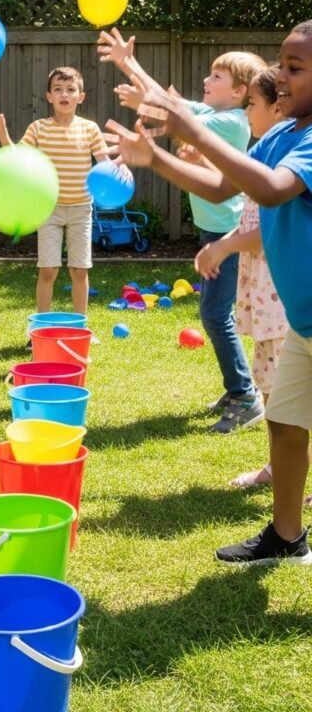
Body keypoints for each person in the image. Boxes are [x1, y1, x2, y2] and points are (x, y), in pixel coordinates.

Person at [104, 20, 312, 565]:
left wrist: (193, 134)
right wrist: (155, 158)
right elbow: (226, 186)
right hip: (305, 326)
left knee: (290, 420)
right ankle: (287, 538)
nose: (281, 77)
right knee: (286, 422)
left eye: (295, 68)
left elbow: (269, 191)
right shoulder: (283, 133)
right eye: (282, 64)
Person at [99, 28, 267, 433]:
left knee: (214, 313)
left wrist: (134, 72)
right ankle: (238, 389)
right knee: (214, 313)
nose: (206, 82)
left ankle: (245, 395)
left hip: (228, 234)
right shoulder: (217, 113)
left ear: (240, 91)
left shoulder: (231, 121)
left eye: (216, 77)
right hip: (215, 230)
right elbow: (172, 104)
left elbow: (172, 112)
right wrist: (129, 62)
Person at [194, 65, 287, 482]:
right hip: (264, 292)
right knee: (271, 386)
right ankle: (276, 466)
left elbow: (267, 232)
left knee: (292, 394)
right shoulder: (266, 149)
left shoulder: (288, 158)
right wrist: (224, 242)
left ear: (278, 107)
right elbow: (243, 209)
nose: (247, 113)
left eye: (252, 103)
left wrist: (225, 245)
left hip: (284, 293)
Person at [0, 66, 107, 319]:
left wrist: (118, 169)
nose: (64, 94)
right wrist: (1, 133)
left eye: (71, 90)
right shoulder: (39, 128)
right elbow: (17, 156)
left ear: (80, 96)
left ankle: (80, 326)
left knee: (79, 270)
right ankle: (40, 326)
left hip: (81, 208)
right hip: (47, 209)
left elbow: (104, 163)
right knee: (48, 269)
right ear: (49, 96)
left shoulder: (90, 129)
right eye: (58, 89)